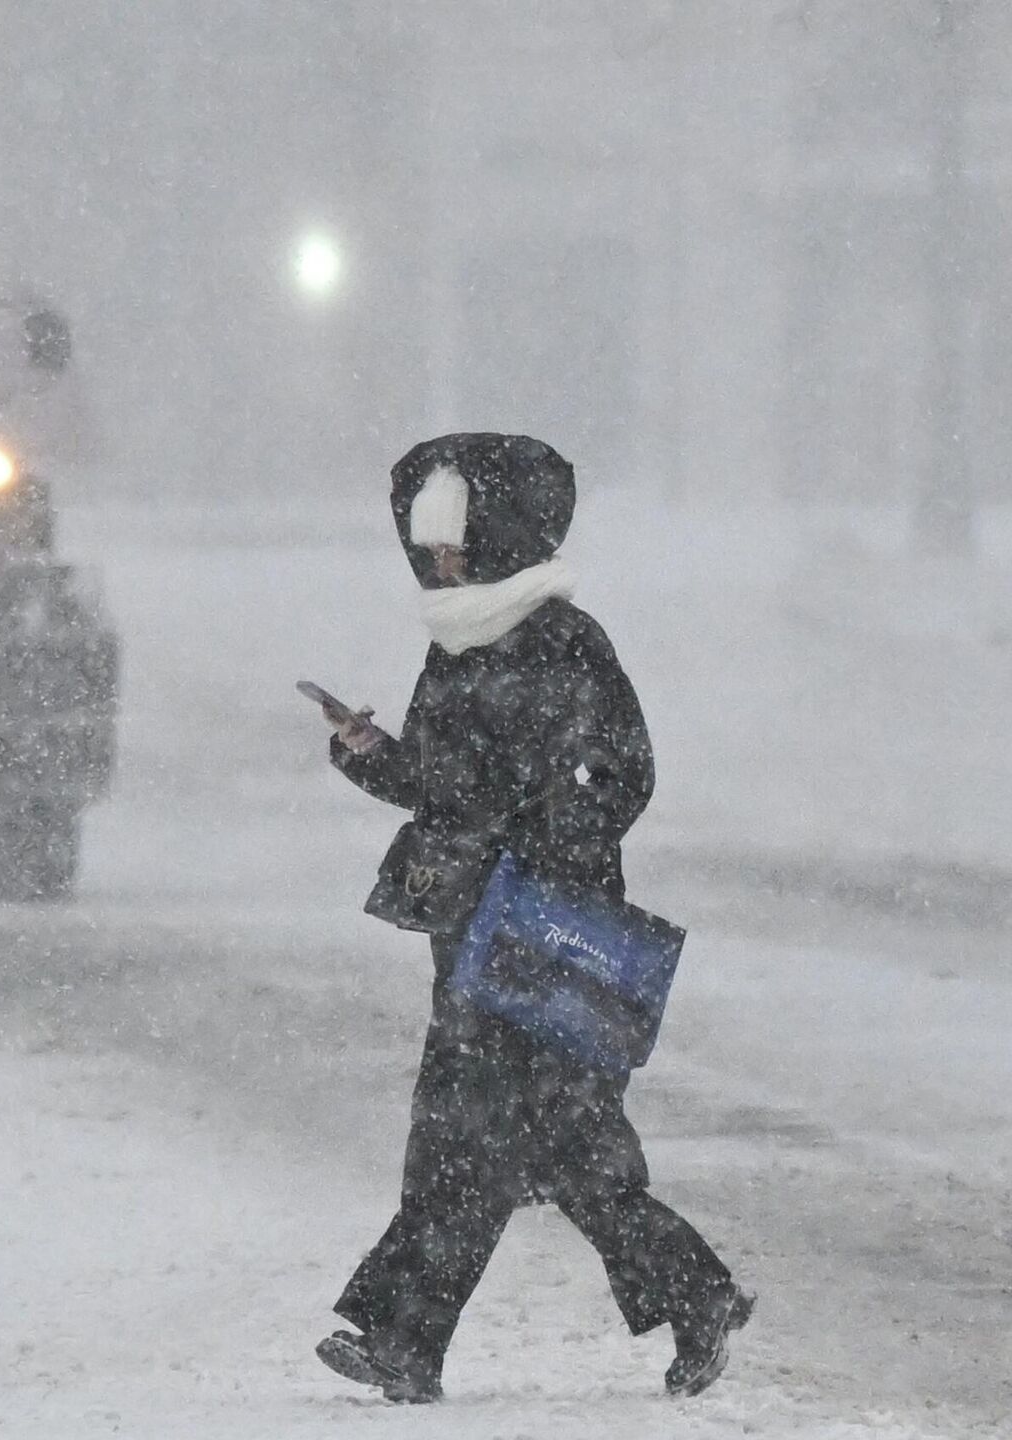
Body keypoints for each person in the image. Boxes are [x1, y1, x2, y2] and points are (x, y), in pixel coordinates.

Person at [313, 433, 753, 1404]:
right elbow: (448, 786)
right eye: (428, 547)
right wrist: (369, 753)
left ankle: (411, 1335)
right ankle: (407, 1340)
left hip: (545, 935)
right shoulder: (456, 643)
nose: (442, 561)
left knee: (531, 1143)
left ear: (503, 534)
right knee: (483, 1144)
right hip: (471, 932)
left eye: (456, 541)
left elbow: (618, 776)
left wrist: (542, 845)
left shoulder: (563, 639)